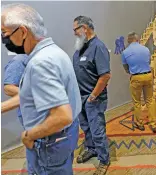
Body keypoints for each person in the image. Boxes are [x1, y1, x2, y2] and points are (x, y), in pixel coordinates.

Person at [1, 3, 81, 174]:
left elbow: (62, 116)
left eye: (5, 33)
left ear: (22, 32)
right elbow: (31, 95)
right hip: (65, 136)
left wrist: (29, 135)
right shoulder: (54, 52)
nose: (4, 39)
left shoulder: (40, 63)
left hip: (48, 143)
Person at [72, 16, 111, 175]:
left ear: (84, 28)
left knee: (97, 129)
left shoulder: (98, 47)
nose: (74, 33)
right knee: (86, 128)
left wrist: (93, 96)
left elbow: (105, 76)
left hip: (93, 99)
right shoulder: (81, 47)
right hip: (80, 97)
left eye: (75, 29)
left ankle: (104, 159)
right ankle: (91, 149)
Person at [121, 32, 156, 133]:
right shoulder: (146, 49)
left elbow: (126, 68)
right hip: (148, 75)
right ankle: (153, 124)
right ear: (138, 39)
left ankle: (139, 124)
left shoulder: (125, 52)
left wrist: (132, 71)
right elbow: (148, 62)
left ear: (128, 40)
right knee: (150, 100)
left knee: (137, 102)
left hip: (136, 77)